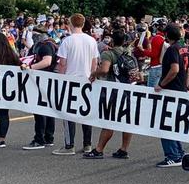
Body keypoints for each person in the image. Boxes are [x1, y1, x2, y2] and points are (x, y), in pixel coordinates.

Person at [84, 29, 138, 160]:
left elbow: (104, 70)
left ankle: (99, 150)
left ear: (112, 41)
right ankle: (123, 149)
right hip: (128, 89)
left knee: (109, 121)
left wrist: (93, 74)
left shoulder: (108, 54)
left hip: (114, 90)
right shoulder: (129, 53)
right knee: (126, 121)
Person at [54, 13, 99, 155]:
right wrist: (92, 75)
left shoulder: (67, 41)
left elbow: (62, 64)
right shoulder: (91, 40)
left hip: (70, 80)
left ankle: (69, 145)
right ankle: (87, 144)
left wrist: (60, 79)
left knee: (68, 114)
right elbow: (94, 63)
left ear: (70, 24)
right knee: (86, 113)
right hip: (86, 80)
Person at [154, 23, 189, 167]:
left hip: (171, 90)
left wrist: (161, 84)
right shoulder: (182, 48)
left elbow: (174, 69)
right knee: (174, 124)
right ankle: (179, 152)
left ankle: (172, 155)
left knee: (165, 124)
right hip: (180, 89)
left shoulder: (171, 50)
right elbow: (187, 68)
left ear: (167, 35)